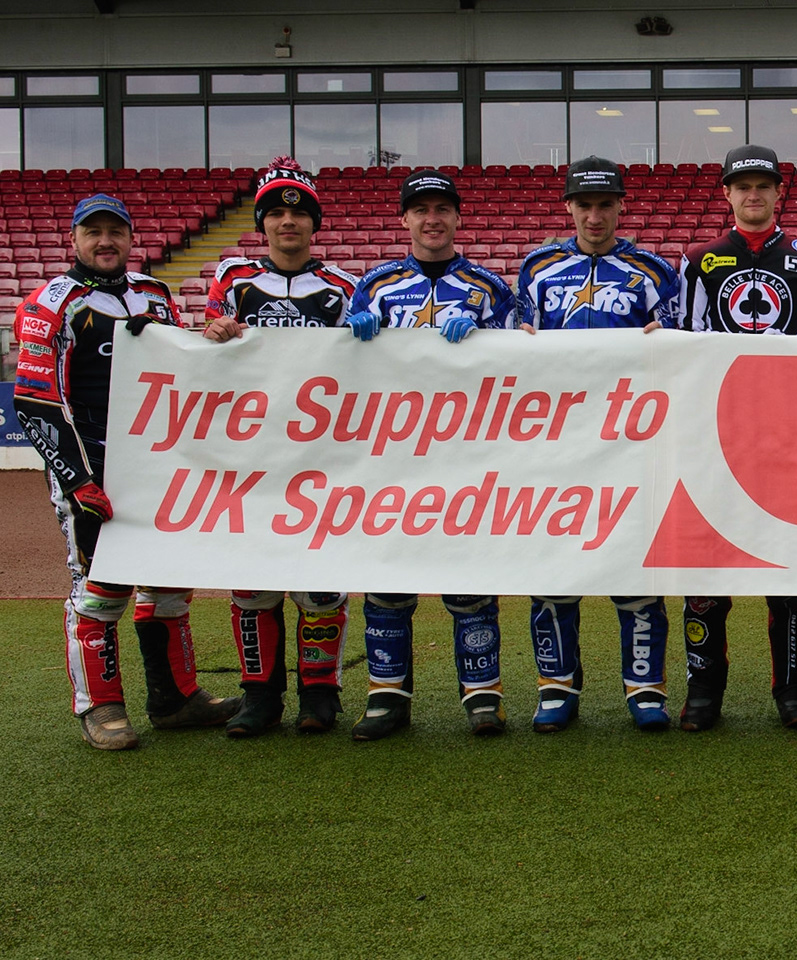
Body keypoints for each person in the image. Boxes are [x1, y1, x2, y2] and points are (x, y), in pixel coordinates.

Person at [12, 193, 238, 749]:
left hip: (156, 468)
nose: (105, 241)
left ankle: (175, 699)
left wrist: (206, 341)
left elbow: (180, 371)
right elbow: (36, 403)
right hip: (91, 468)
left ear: (132, 237)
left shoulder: (154, 294)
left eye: (116, 230)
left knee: (167, 586)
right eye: (93, 232)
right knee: (97, 587)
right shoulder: (49, 303)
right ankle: (100, 707)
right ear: (74, 239)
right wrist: (79, 480)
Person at [342, 170, 516, 740]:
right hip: (392, 457)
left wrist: (487, 331)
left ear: (458, 218)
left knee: (470, 584)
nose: (432, 219)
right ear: (405, 220)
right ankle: (387, 697)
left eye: (443, 209)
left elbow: (523, 365)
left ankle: (482, 695)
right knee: (387, 583)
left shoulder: (491, 287)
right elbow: (342, 368)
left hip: (467, 455)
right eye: (421, 210)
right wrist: (349, 334)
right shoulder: (376, 285)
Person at [513, 157, 683, 733]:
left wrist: (670, 342)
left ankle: (644, 688)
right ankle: (557, 688)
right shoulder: (537, 267)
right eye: (583, 204)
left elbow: (678, 358)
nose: (594, 214)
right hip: (555, 445)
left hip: (631, 445)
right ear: (568, 207)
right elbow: (519, 350)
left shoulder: (655, 271)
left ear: (619, 207)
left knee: (636, 572)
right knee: (555, 574)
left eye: (604, 203)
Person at [678, 144, 797, 731]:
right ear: (726, 193)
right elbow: (688, 351)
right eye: (741, 186)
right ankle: (703, 693)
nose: (753, 195)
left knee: (791, 575)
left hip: (789, 446)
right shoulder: (700, 261)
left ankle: (794, 691)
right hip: (718, 443)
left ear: (778, 193)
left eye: (763, 185)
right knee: (704, 576)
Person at [203, 159, 357, 737]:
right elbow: (207, 345)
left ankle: (321, 694)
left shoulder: (342, 288)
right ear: (262, 222)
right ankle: (259, 697)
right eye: (276, 212)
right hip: (250, 456)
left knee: (321, 582)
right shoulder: (233, 279)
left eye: (298, 212)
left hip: (322, 456)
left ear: (314, 223)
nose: (287, 221)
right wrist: (214, 331)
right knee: (252, 582)